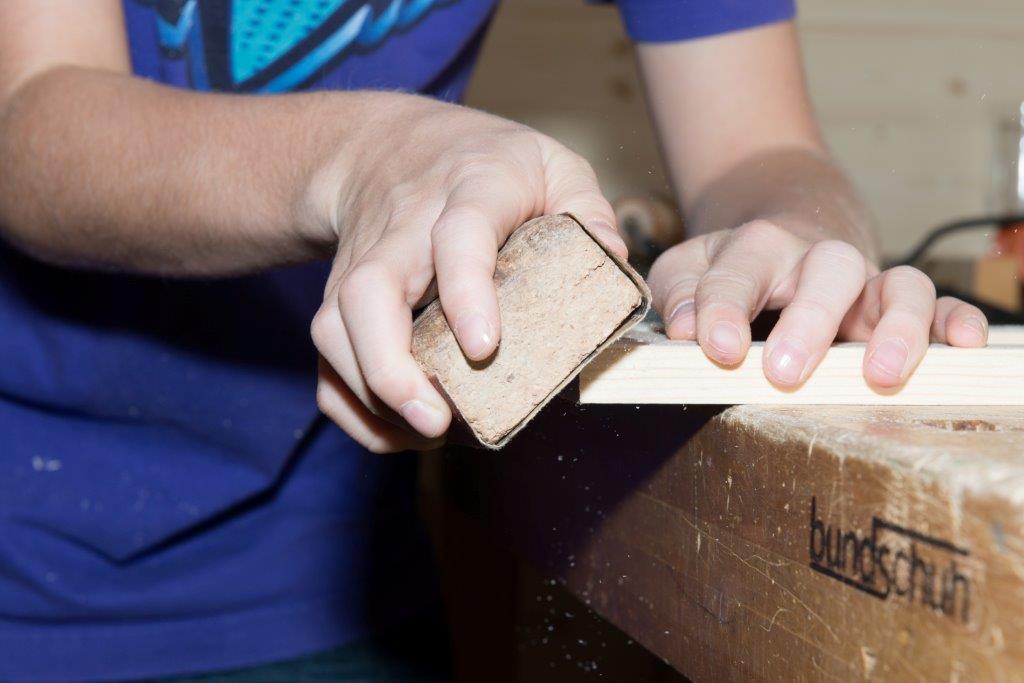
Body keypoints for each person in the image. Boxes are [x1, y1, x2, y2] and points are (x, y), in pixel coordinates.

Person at [0, 0, 988, 680]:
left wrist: (798, 240)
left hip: (320, 558)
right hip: (28, 558)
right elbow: (32, 117)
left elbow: (760, 146)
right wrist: (372, 155)